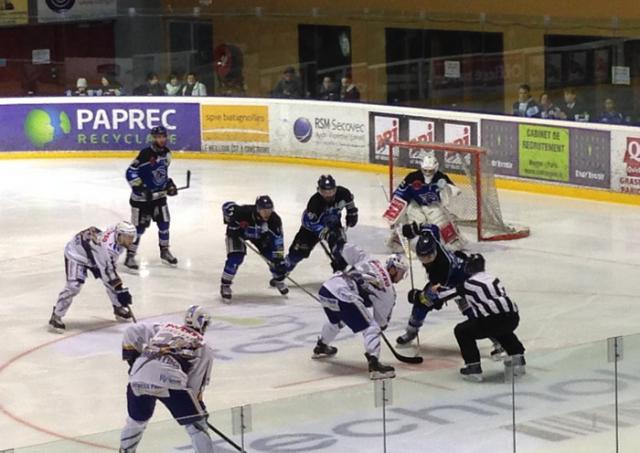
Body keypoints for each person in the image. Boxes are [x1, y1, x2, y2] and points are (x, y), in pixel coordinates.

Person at [119, 305, 215, 453]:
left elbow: (132, 330)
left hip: (138, 377)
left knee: (136, 421)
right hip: (171, 381)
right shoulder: (202, 345)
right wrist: (199, 410)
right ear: (204, 323)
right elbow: (195, 383)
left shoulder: (165, 327)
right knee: (196, 426)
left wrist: (132, 360)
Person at [315, 243, 408, 379]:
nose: (401, 277)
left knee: (337, 321)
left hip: (327, 289)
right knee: (371, 327)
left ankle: (321, 346)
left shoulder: (370, 259)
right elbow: (380, 322)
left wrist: (339, 260)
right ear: (393, 270)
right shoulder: (388, 291)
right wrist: (378, 327)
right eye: (401, 273)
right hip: (345, 294)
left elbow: (344, 247)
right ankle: (375, 366)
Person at [429, 254, 526, 381]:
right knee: (502, 328)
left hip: (490, 321)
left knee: (462, 331)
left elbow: (445, 294)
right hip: (513, 317)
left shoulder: (468, 283)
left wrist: (436, 290)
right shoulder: (494, 279)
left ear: (469, 268)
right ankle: (518, 359)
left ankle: (473, 368)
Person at [48, 222, 137, 331]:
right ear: (119, 235)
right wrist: (120, 290)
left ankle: (118, 307)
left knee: (112, 281)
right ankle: (56, 315)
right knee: (74, 286)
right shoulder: (107, 248)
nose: (131, 241)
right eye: (128, 237)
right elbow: (108, 271)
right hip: (77, 254)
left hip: (94, 254)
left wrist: (119, 289)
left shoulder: (117, 233)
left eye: (132, 237)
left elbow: (108, 269)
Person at [395, 224, 468, 345]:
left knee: (472, 311)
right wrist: (415, 228)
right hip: (445, 281)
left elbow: (437, 296)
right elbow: (432, 228)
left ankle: (498, 339)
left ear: (433, 252)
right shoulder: (430, 242)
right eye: (422, 258)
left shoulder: (443, 269)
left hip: (461, 282)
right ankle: (411, 332)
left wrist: (418, 295)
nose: (425, 262)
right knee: (420, 305)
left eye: (428, 257)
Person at [383, 153, 463, 251]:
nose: (428, 173)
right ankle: (396, 241)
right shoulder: (412, 178)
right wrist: (395, 211)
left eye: (431, 171)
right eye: (425, 170)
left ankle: (453, 240)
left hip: (432, 205)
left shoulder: (441, 178)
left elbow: (451, 191)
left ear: (436, 168)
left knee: (441, 219)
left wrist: (448, 188)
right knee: (415, 224)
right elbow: (400, 194)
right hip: (415, 204)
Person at [125, 126, 179, 269]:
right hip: (141, 201)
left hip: (159, 197)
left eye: (163, 136)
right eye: (158, 137)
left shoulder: (167, 154)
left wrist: (169, 185)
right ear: (153, 138)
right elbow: (130, 172)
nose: (161, 139)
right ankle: (130, 255)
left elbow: (162, 174)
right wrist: (141, 188)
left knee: (164, 223)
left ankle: (164, 250)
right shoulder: (145, 154)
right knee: (138, 229)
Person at [284, 175, 358, 274]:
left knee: (340, 249)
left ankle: (341, 272)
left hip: (333, 225)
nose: (328, 195)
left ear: (335, 189)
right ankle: (283, 270)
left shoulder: (343, 193)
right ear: (319, 190)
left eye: (331, 191)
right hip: (310, 230)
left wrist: (352, 214)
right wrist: (326, 234)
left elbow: (350, 204)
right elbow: (312, 223)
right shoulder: (314, 203)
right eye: (325, 192)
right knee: (297, 253)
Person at [220, 195, 288, 301]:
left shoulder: (274, 220)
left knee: (274, 259)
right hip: (237, 236)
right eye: (263, 210)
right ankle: (225, 285)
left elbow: (278, 241)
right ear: (257, 209)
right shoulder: (244, 212)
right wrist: (229, 216)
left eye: (269, 210)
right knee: (236, 258)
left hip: (260, 237)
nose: (267, 213)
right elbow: (227, 206)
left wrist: (279, 259)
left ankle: (279, 280)